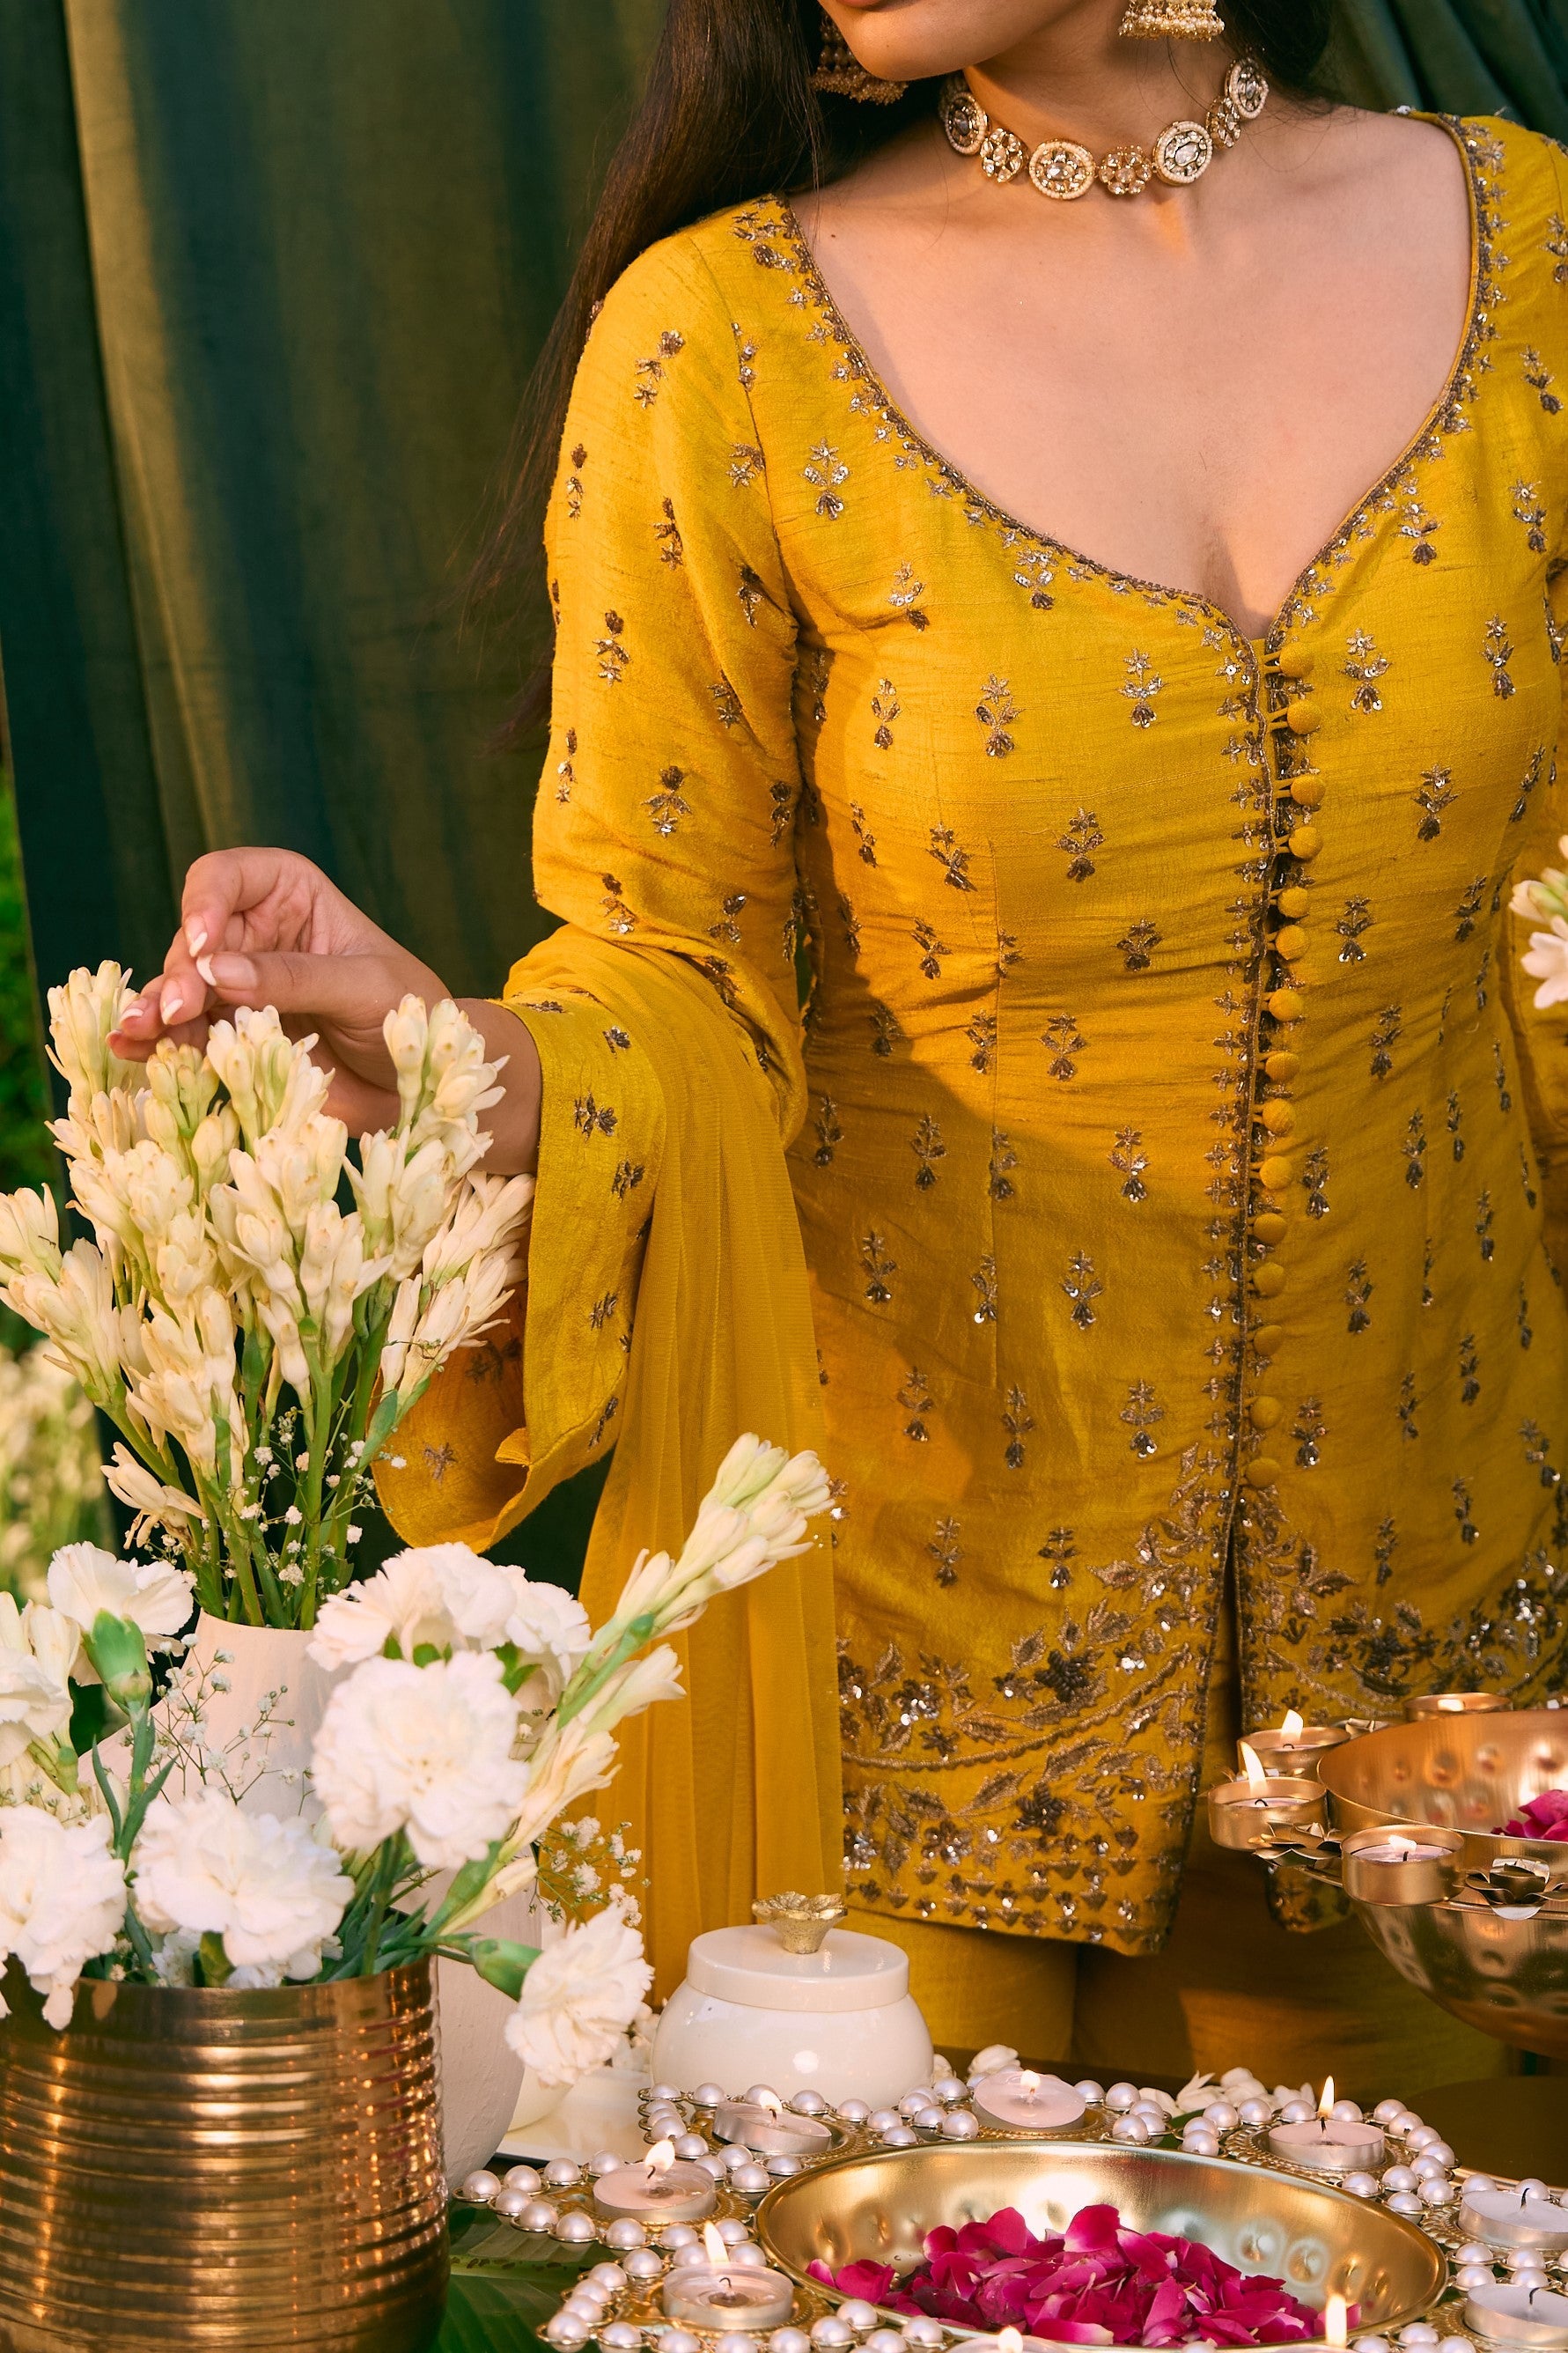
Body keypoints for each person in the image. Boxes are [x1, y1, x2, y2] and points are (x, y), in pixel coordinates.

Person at [112, 0, 1568, 2091]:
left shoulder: (1532, 257)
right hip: (890, 1744)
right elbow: (667, 973)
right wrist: (448, 1059)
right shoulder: (727, 340)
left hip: (1458, 1781)